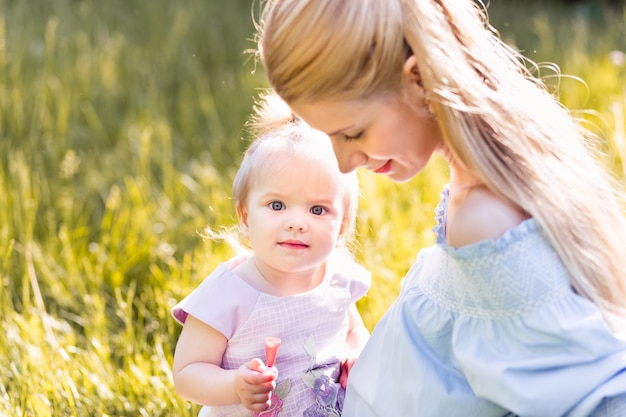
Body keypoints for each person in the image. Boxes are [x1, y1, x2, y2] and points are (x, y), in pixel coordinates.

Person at [254, 0, 626, 415]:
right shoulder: (508, 154)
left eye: (353, 133)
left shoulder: (484, 221)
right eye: (329, 139)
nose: (343, 164)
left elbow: (589, 396)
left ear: (419, 81)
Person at [171, 92, 371, 417]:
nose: (296, 223)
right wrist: (235, 384)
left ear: (343, 226)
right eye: (277, 205)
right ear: (245, 216)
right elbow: (187, 373)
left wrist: (356, 355)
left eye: (318, 209)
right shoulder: (228, 295)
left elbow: (351, 331)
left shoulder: (336, 280)